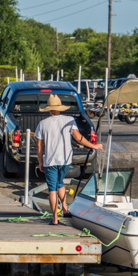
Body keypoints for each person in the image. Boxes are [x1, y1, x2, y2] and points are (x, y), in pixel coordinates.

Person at [35, 94, 104, 226]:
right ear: (60, 109)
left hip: (50, 161)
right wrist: (94, 145)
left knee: (52, 189)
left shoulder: (43, 124)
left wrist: (40, 162)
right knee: (60, 182)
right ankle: (65, 209)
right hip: (65, 160)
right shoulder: (69, 120)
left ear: (49, 109)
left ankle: (55, 218)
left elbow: (39, 145)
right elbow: (79, 138)